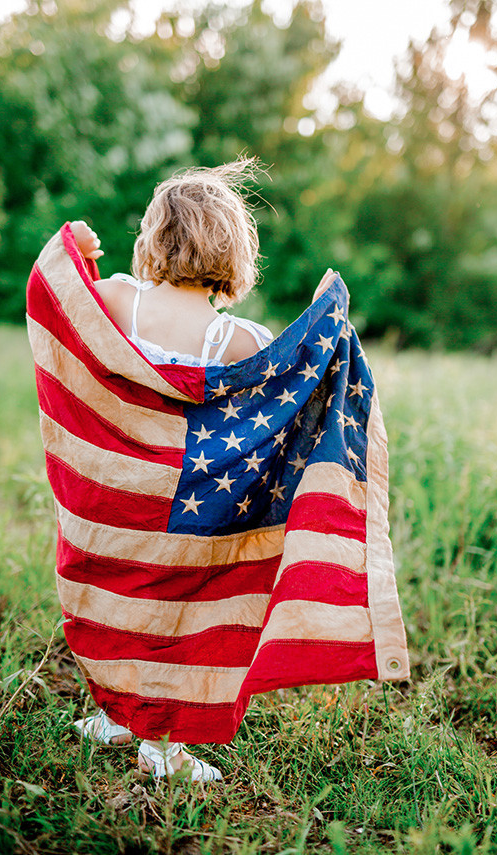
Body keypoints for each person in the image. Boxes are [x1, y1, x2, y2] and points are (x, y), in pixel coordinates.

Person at [67, 159, 338, 781]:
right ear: (234, 251)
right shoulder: (239, 340)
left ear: (152, 238)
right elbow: (280, 405)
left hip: (116, 502)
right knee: (179, 613)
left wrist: (75, 248)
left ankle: (116, 714)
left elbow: (56, 295)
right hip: (189, 508)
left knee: (121, 604)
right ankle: (159, 742)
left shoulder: (112, 297)